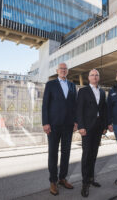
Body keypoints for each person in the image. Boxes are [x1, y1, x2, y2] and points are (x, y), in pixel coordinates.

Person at [42, 63, 78, 196]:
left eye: (65, 69)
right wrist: (45, 123)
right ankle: (53, 181)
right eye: (61, 69)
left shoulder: (72, 86)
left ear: (67, 71)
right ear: (57, 71)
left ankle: (62, 178)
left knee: (66, 152)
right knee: (53, 153)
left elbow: (75, 105)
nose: (63, 71)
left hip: (68, 125)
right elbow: (45, 104)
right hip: (53, 125)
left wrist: (76, 122)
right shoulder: (50, 84)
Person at [77, 69, 107, 197]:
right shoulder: (83, 91)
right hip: (87, 128)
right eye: (92, 75)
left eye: (97, 75)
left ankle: (91, 178)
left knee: (94, 154)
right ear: (88, 78)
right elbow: (79, 110)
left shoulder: (101, 91)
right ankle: (84, 183)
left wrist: (104, 126)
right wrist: (81, 126)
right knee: (87, 155)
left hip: (98, 128)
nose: (94, 77)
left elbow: (104, 109)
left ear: (99, 78)